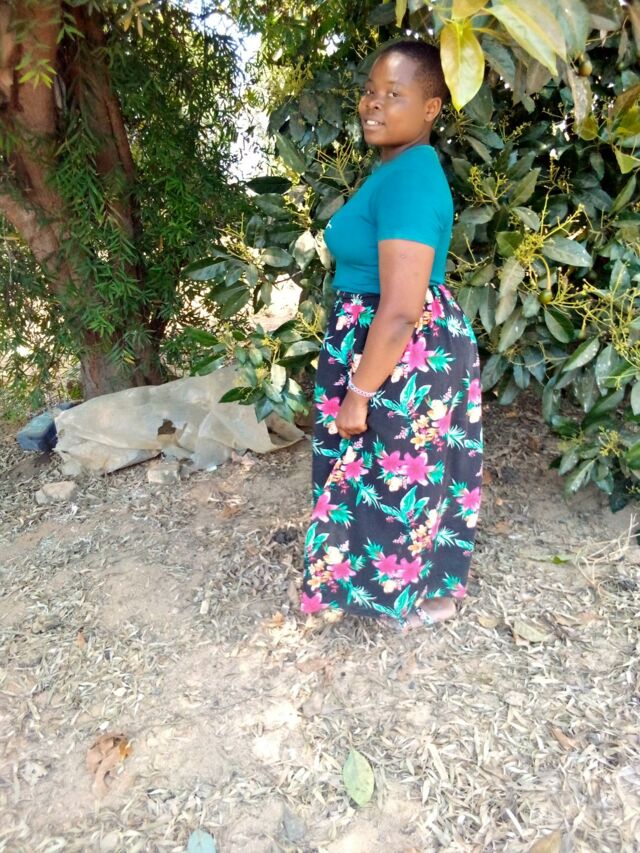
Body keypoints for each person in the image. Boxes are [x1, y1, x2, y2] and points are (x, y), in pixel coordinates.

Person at [301, 40, 483, 630]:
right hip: (390, 340)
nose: (373, 104)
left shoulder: (410, 178)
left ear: (431, 109)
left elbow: (402, 307)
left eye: (394, 94)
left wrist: (359, 392)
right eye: (370, 91)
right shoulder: (398, 171)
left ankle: (419, 592)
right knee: (400, 467)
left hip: (399, 344)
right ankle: (408, 586)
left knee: (399, 468)